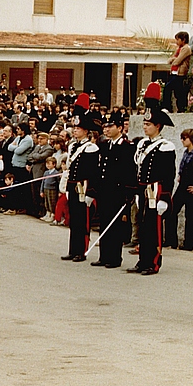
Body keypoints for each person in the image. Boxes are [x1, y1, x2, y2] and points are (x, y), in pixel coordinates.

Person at [128, 83, 177, 276]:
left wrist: (165, 198)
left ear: (158, 126)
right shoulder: (142, 144)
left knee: (154, 229)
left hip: (156, 191)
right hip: (143, 191)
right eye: (144, 124)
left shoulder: (165, 146)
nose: (144, 127)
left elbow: (168, 175)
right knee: (143, 226)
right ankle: (142, 261)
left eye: (148, 124)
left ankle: (153, 262)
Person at [92, 110, 137, 269]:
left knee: (115, 224)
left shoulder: (127, 146)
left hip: (118, 191)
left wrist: (128, 193)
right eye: (105, 126)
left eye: (110, 126)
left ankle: (114, 257)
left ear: (120, 128)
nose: (106, 129)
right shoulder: (104, 145)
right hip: (105, 190)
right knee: (104, 222)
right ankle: (104, 255)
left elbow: (130, 171)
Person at [62, 94, 101, 263]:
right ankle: (73, 249)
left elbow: (92, 172)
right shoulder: (72, 146)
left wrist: (90, 192)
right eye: (74, 128)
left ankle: (81, 250)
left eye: (78, 129)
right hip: (73, 186)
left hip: (84, 186)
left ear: (86, 130)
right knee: (73, 219)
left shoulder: (91, 148)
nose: (75, 130)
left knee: (83, 220)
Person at [168, 128, 193, 251]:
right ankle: (172, 240)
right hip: (183, 186)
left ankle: (189, 244)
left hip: (191, 186)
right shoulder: (186, 152)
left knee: (191, 217)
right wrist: (180, 175)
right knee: (171, 211)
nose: (182, 140)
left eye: (184, 138)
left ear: (191, 139)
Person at [162, 31, 192, 112]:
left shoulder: (186, 48)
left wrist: (174, 59)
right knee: (177, 92)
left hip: (180, 73)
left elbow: (177, 61)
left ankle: (168, 107)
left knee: (168, 88)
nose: (176, 42)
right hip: (174, 72)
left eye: (178, 40)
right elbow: (170, 60)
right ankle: (180, 109)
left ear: (183, 39)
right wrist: (174, 59)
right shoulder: (178, 49)